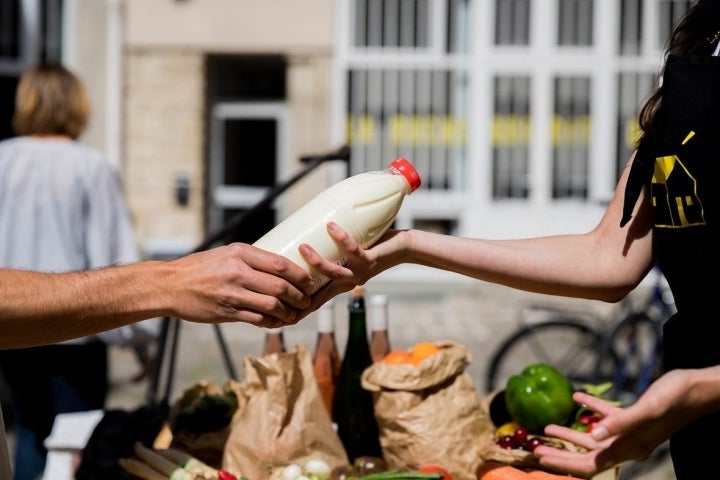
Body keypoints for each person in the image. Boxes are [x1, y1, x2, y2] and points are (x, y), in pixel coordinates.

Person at [297, 1, 720, 478]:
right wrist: (409, 247)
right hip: (700, 430)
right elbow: (609, 256)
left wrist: (705, 386)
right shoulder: (699, 54)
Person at [0, 242, 316, 478]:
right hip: (81, 338)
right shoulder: (91, 167)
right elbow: (108, 244)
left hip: (50, 330)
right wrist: (169, 284)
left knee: (32, 428)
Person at [0, 62, 161, 479]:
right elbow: (113, 256)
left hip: (15, 322)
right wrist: (141, 340)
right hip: (76, 327)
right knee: (75, 444)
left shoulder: (3, 159)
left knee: (31, 431)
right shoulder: (91, 167)